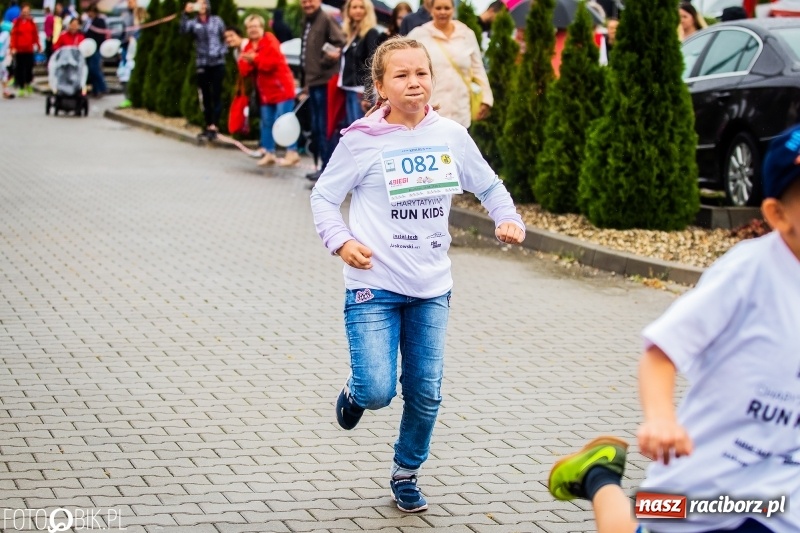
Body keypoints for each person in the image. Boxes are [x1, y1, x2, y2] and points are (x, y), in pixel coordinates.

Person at [546, 124, 800, 533]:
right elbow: (661, 350)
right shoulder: (748, 273)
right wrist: (660, 418)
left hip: (780, 502)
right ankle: (598, 476)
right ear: (777, 214)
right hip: (704, 481)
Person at [310, 36, 526, 514]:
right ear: (381, 86)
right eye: (402, 75)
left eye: (421, 73)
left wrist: (506, 217)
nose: (414, 83)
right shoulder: (361, 141)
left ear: (432, 79)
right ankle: (355, 391)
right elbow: (323, 197)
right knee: (377, 390)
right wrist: (342, 242)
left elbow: (488, 183)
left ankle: (406, 471)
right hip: (375, 284)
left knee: (425, 392)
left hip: (432, 286)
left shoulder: (449, 135)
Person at [408, 0, 491, 129]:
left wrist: (486, 99)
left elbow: (478, 68)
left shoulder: (466, 34)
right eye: (438, 8)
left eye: (447, 8)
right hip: (429, 113)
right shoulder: (419, 34)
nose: (442, 12)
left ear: (453, 9)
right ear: (431, 10)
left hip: (460, 112)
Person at [238, 14, 300, 167]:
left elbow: (271, 63)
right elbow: (243, 69)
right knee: (266, 122)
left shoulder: (270, 40)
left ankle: (292, 153)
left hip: (282, 89)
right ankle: (269, 153)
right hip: (265, 93)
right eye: (250, 27)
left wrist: (254, 59)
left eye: (256, 26)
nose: (253, 30)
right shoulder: (247, 47)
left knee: (285, 121)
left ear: (262, 27)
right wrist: (254, 60)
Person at [299, 0, 346, 181]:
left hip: (326, 81)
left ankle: (328, 172)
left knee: (325, 127)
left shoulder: (326, 18)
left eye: (310, 0)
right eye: (304, 1)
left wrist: (326, 61)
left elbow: (339, 43)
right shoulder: (307, 20)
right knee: (317, 128)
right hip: (313, 82)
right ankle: (322, 168)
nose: (307, 4)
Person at [180, 0, 226, 140]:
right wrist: (184, 14)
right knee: (205, 95)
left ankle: (215, 125)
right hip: (202, 63)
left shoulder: (217, 21)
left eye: (204, 3)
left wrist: (222, 52)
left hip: (217, 62)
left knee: (216, 94)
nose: (202, 7)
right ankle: (208, 124)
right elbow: (183, 31)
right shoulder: (194, 23)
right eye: (199, 4)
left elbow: (225, 37)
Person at [338, 0, 380, 124]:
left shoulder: (371, 33)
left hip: (361, 91)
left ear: (367, 11)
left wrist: (367, 95)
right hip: (350, 88)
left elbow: (372, 63)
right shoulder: (351, 34)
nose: (357, 10)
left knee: (360, 129)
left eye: (361, 7)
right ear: (349, 11)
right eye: (354, 7)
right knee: (353, 128)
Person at [9, 2, 39, 97]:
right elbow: (13, 36)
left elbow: (35, 35)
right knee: (20, 69)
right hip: (19, 50)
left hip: (29, 49)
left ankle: (28, 83)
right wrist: (13, 47)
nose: (25, 13)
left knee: (29, 67)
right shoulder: (17, 23)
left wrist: (38, 45)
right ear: (21, 12)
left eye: (27, 11)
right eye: (24, 11)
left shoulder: (32, 23)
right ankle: (21, 87)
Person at [83, 4, 107, 97]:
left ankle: (102, 87)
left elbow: (101, 35)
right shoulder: (88, 22)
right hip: (87, 49)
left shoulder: (99, 21)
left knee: (95, 69)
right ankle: (96, 90)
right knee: (90, 69)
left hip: (95, 48)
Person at [0, 20, 14, 98]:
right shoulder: (5, 34)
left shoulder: (5, 34)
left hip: (2, 57)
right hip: (0, 57)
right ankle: (6, 91)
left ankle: (5, 91)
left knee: (3, 74)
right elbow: (0, 43)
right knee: (4, 74)